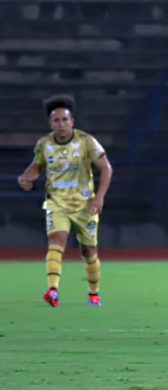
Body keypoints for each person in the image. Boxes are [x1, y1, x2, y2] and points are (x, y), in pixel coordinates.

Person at [17, 94, 113, 307]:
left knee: (89, 252)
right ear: (50, 123)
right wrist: (26, 177)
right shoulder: (44, 144)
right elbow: (37, 166)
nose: (61, 124)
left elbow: (106, 168)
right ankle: (53, 290)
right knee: (56, 242)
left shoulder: (86, 141)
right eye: (56, 120)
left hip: (84, 205)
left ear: (72, 121)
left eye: (64, 120)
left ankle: (93, 292)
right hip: (57, 203)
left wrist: (99, 197)